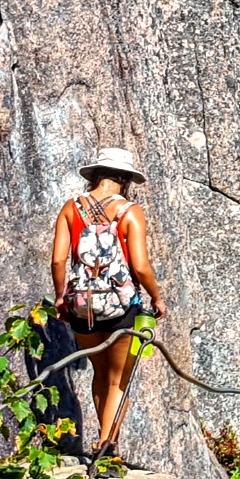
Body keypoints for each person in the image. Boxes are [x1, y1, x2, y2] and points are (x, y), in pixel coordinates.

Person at [50, 147, 161, 461]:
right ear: (125, 180)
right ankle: (107, 446)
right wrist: (157, 296)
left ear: (95, 174)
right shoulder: (130, 211)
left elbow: (59, 260)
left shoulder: (71, 209)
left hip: (81, 306)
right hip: (120, 307)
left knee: (100, 374)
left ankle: (103, 442)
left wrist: (61, 297)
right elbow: (140, 266)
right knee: (118, 380)